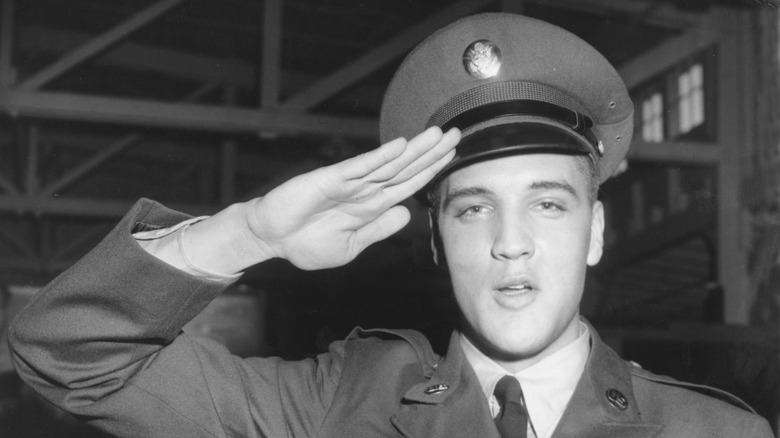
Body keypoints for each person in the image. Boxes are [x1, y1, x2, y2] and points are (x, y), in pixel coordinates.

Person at [8, 13, 773, 438]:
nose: (511, 240)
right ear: (436, 243)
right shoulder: (341, 405)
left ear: (598, 230)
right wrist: (250, 234)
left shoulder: (715, 434)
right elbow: (67, 349)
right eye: (473, 208)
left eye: (548, 203)